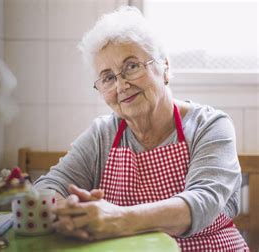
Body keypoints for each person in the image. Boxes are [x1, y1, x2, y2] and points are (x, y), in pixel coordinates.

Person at [33, 6, 248, 251]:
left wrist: (116, 219)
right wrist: (68, 211)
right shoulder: (102, 134)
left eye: (132, 66)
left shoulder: (209, 125)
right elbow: (46, 186)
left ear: (165, 67)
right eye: (108, 77)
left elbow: (203, 202)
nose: (121, 85)